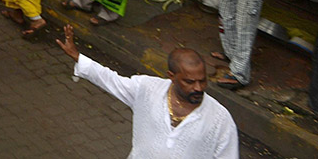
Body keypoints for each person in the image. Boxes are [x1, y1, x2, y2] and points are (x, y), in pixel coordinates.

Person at [56, 25, 239, 158]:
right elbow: (111, 80)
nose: (198, 88)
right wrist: (79, 57)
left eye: (202, 80)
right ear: (172, 76)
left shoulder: (220, 119)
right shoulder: (147, 89)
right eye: (189, 82)